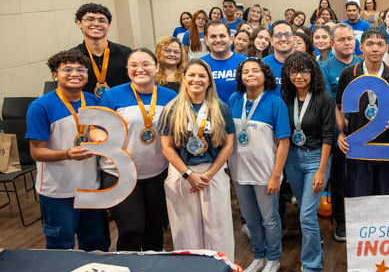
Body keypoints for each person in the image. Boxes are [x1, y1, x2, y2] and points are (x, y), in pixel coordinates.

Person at [90, 48, 178, 251]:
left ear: (156, 67)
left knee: (154, 228)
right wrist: (106, 142)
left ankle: (153, 267)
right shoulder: (112, 95)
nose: (140, 69)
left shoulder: (170, 96)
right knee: (131, 229)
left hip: (156, 171)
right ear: (127, 69)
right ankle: (127, 268)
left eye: (146, 64)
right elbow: (94, 128)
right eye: (134, 65)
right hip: (119, 172)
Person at [26, 49, 109, 251]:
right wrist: (67, 154)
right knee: (61, 248)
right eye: (67, 69)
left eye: (81, 69)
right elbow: (36, 152)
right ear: (55, 75)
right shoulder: (41, 107)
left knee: (96, 245)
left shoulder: (92, 100)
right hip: (58, 191)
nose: (75, 74)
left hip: (90, 185)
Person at [160, 59, 236, 260]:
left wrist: (209, 174)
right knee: (185, 229)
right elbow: (167, 147)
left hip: (213, 171)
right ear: (183, 78)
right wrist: (188, 174)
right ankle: (191, 270)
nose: (197, 80)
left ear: (209, 80)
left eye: (202, 76)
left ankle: (221, 270)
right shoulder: (171, 108)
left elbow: (228, 145)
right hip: (181, 172)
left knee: (218, 228)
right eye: (192, 75)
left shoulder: (220, 107)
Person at [227, 58, 290, 272]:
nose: (250, 74)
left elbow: (284, 142)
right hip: (239, 172)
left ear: (265, 75)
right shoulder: (234, 99)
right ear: (240, 77)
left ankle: (273, 258)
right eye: (246, 71)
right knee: (250, 219)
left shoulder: (275, 102)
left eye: (255, 70)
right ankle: (259, 256)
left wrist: (276, 175)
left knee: (269, 219)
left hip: (266, 173)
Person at [281, 51, 336, 272]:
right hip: (292, 159)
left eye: (304, 70)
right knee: (306, 212)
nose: (299, 76)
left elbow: (328, 136)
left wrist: (322, 170)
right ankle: (316, 252)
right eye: (294, 71)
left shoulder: (324, 98)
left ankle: (311, 268)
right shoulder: (287, 97)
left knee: (305, 216)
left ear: (312, 72)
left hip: (316, 159)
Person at [337, 27, 389, 200]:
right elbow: (339, 108)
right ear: (361, 47)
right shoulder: (348, 74)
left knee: (382, 200)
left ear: (386, 48)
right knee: (359, 200)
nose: (375, 48)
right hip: (357, 150)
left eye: (380, 44)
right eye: (370, 44)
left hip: (383, 149)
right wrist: (340, 132)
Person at [320, 22, 362, 241]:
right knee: (341, 180)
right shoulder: (326, 68)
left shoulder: (362, 64)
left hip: (366, 132)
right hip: (342, 134)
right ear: (332, 43)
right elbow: (331, 105)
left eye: (350, 39)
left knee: (363, 178)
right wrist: (341, 132)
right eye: (342, 40)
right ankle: (342, 221)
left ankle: (363, 219)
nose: (347, 43)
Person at [72, 3, 132, 97]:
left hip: (120, 104)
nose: (96, 24)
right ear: (79, 23)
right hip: (85, 105)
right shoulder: (72, 57)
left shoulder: (126, 53)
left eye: (102, 20)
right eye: (90, 19)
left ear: (108, 25)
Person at [201, 20, 247, 103]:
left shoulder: (245, 63)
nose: (218, 40)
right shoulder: (200, 65)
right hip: (209, 111)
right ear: (206, 40)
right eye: (213, 36)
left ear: (231, 38)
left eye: (222, 36)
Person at [263, 20, 295, 86]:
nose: (283, 39)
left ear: (294, 39)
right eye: (278, 35)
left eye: (287, 35)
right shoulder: (262, 65)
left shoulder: (305, 64)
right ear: (271, 41)